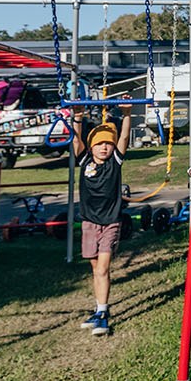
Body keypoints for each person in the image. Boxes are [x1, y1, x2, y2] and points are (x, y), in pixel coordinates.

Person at [71, 106, 131, 336]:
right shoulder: (85, 160)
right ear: (91, 146)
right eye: (99, 143)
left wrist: (127, 114)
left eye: (108, 143)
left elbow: (124, 136)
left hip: (111, 222)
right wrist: (77, 118)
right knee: (96, 269)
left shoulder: (115, 162)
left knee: (103, 268)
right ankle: (98, 309)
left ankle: (104, 313)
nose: (104, 147)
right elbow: (77, 142)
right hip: (89, 222)